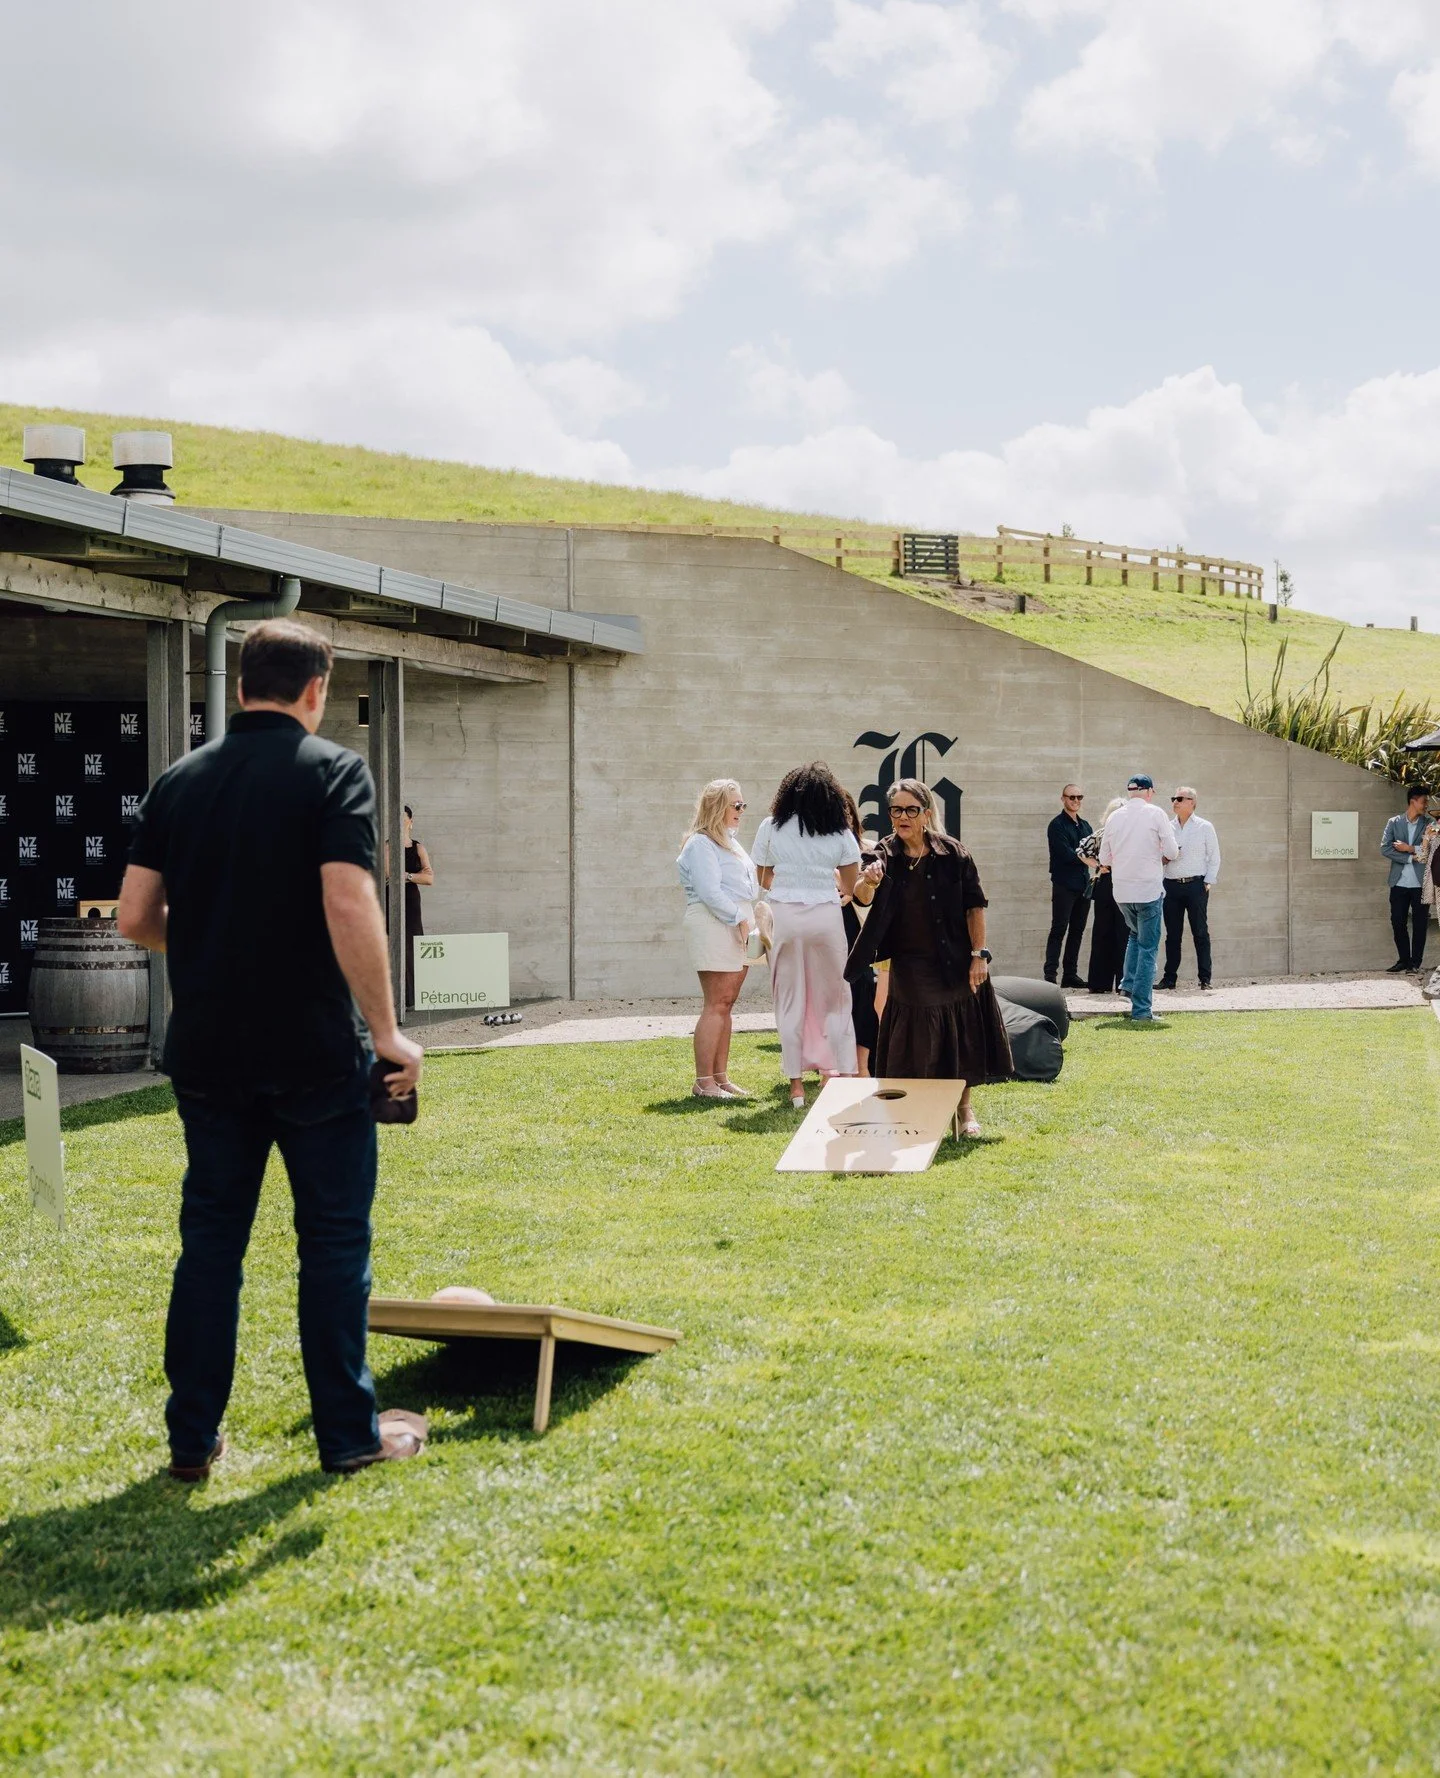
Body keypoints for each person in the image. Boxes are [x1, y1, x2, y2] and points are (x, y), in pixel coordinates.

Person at [116, 618, 427, 1480]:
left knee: (210, 1242)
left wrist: (220, 937)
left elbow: (137, 917)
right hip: (314, 1050)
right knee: (332, 1243)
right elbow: (348, 901)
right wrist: (390, 1032)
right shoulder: (334, 774)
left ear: (242, 682)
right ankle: (350, 1438)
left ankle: (191, 1443)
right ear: (316, 690)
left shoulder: (178, 782)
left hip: (208, 1051)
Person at [845, 777, 1013, 1136]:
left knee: (960, 1034)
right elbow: (859, 894)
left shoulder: (953, 854)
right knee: (916, 1039)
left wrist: (978, 955)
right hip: (910, 963)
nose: (902, 817)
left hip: (955, 959)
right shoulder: (882, 855)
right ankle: (918, 1110)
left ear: (926, 813)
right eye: (895, 810)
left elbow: (975, 907)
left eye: (910, 809)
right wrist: (869, 881)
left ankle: (965, 1111)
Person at [752, 762, 861, 1109]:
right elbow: (849, 885)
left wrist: (788, 883)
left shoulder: (770, 827)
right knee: (835, 998)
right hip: (826, 917)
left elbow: (763, 878)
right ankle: (841, 1072)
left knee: (789, 999)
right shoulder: (841, 833)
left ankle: (796, 1086)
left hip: (785, 913)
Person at [676, 779, 759, 1099]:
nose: (741, 811)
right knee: (716, 1002)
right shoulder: (700, 844)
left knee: (727, 1003)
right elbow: (710, 891)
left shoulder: (730, 841)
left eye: (743, 805)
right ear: (717, 807)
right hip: (715, 922)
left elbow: (746, 886)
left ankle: (721, 1078)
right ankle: (704, 1081)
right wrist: (738, 918)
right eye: (735, 805)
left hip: (739, 920)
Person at [1097, 773, 1179, 1022]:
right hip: (1148, 891)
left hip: (1122, 892)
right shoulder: (1156, 814)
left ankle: (1128, 986)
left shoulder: (1114, 817)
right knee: (1148, 948)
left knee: (1134, 936)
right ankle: (1142, 1011)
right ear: (1149, 792)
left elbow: (1103, 859)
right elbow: (1173, 852)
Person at [1157, 786, 1220, 990]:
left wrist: (1208, 881)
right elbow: (1158, 855)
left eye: (1180, 798)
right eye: (1173, 798)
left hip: (1196, 886)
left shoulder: (1204, 827)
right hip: (1171, 886)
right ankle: (1169, 979)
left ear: (1192, 801)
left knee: (1200, 932)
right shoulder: (1167, 827)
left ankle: (1205, 979)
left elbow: (1214, 856)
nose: (1174, 801)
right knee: (1172, 935)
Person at [840, 791, 880, 1076]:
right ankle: (834, 1066)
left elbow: (864, 897)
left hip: (861, 931)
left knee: (864, 990)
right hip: (830, 928)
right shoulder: (819, 853)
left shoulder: (869, 849)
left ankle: (862, 1066)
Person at [1043, 784, 1093, 987]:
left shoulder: (1085, 826)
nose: (1076, 801)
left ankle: (1070, 974)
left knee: (1077, 930)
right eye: (1072, 797)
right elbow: (1065, 853)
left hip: (1083, 885)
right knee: (1059, 929)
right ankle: (1050, 976)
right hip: (1064, 884)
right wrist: (1085, 859)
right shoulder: (1056, 825)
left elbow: (1093, 850)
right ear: (1062, 799)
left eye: (1079, 797)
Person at [1382, 786, 1433, 973]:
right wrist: (1411, 857)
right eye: (1424, 801)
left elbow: (1430, 851)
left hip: (1421, 884)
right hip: (1398, 883)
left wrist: (1408, 848)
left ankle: (1415, 963)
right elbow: (1385, 849)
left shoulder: (1430, 824)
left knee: (1420, 925)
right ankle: (1404, 960)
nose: (1426, 805)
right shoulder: (1394, 823)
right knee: (1397, 922)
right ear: (1413, 801)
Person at [1081, 797, 1127, 993]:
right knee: (1104, 932)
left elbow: (1082, 850)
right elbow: (1081, 850)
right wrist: (1098, 866)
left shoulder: (1113, 834)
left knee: (1121, 932)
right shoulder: (1102, 834)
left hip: (1121, 882)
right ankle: (1103, 983)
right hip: (1109, 883)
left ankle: (1118, 982)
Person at [402, 805, 434, 1009]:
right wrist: (414, 877)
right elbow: (388, 873)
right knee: (392, 943)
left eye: (403, 817)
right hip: (390, 898)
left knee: (413, 944)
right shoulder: (386, 847)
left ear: (411, 822)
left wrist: (407, 876)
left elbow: (429, 878)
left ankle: (412, 998)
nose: (400, 821)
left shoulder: (418, 848)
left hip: (412, 900)